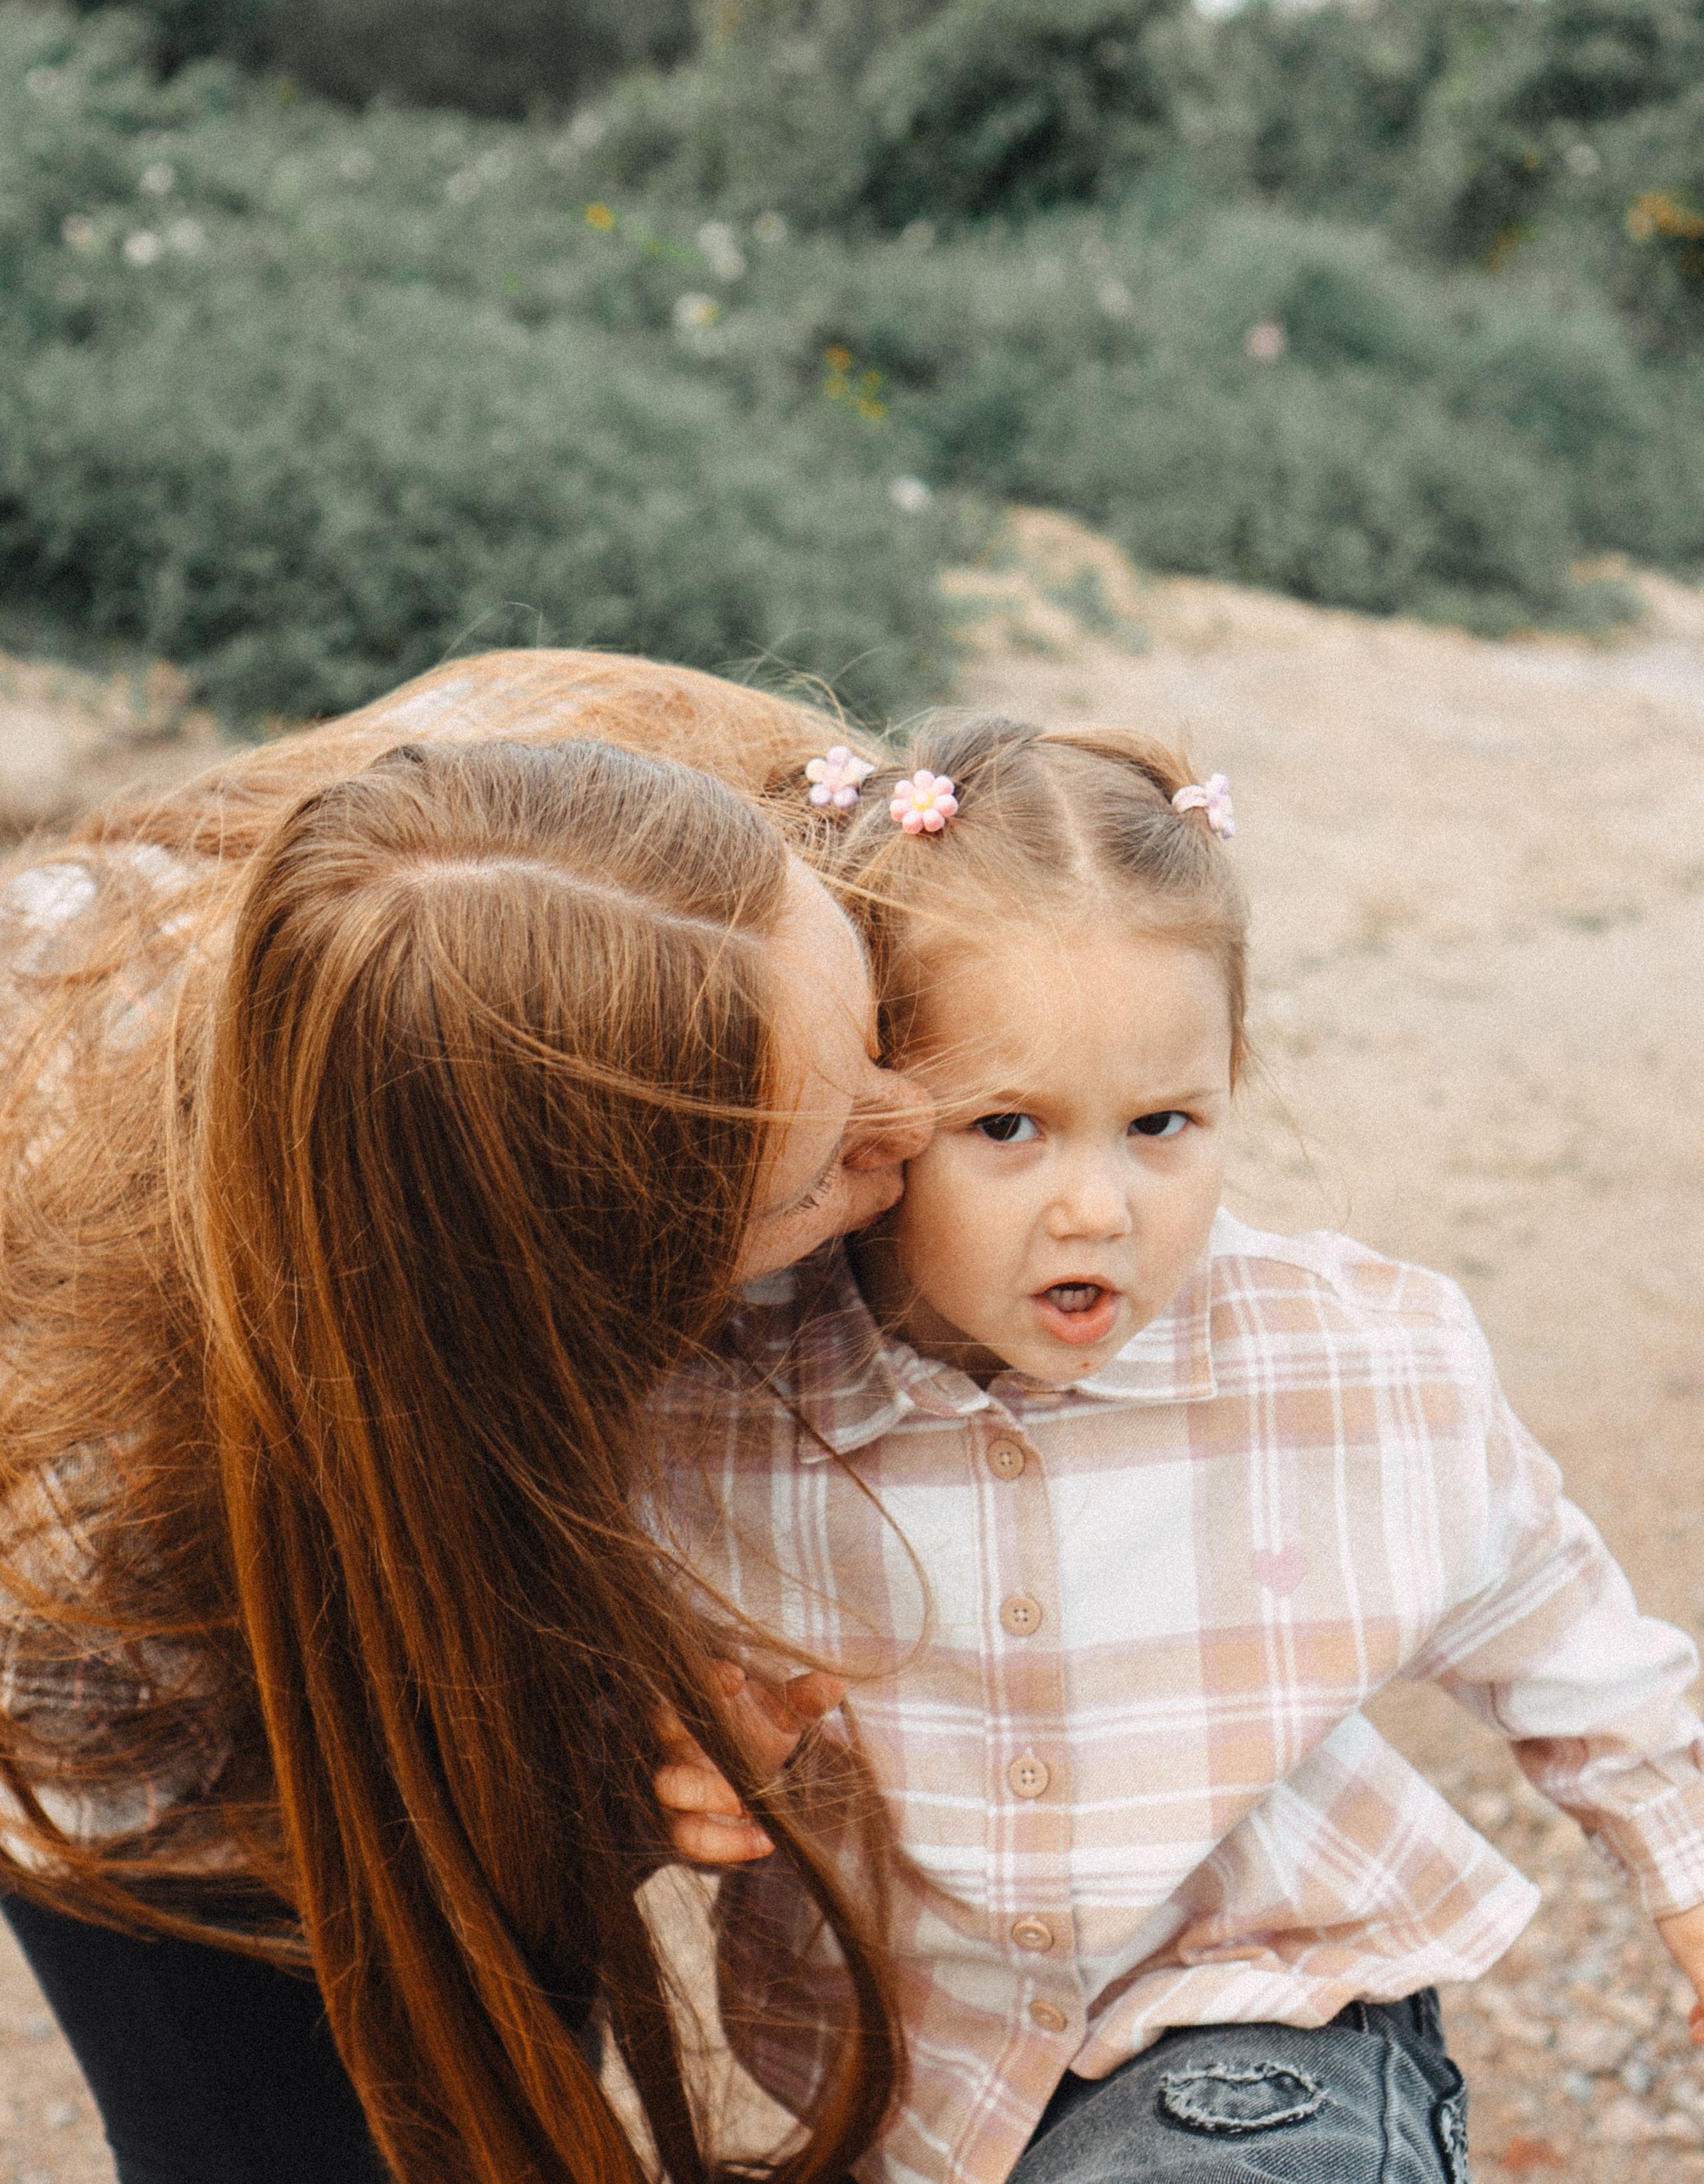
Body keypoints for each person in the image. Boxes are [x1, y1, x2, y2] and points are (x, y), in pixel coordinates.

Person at [656, 714, 1704, 2184]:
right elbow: (593, 1666)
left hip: (1264, 2025)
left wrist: (1683, 1868)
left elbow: (1562, 1628)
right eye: (1008, 1127)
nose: (1097, 1207)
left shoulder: (1345, 1362)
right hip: (908, 2094)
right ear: (875, 1115)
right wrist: (652, 1758)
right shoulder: (725, 1408)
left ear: (1230, 1075)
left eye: (1159, 1123)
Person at [0, 651, 933, 2184]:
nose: (923, 1126)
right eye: (826, 1168)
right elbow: (380, 1825)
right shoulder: (84, 1555)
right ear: (584, 1295)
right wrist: (579, 1756)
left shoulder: (661, 806)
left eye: (878, 1017)